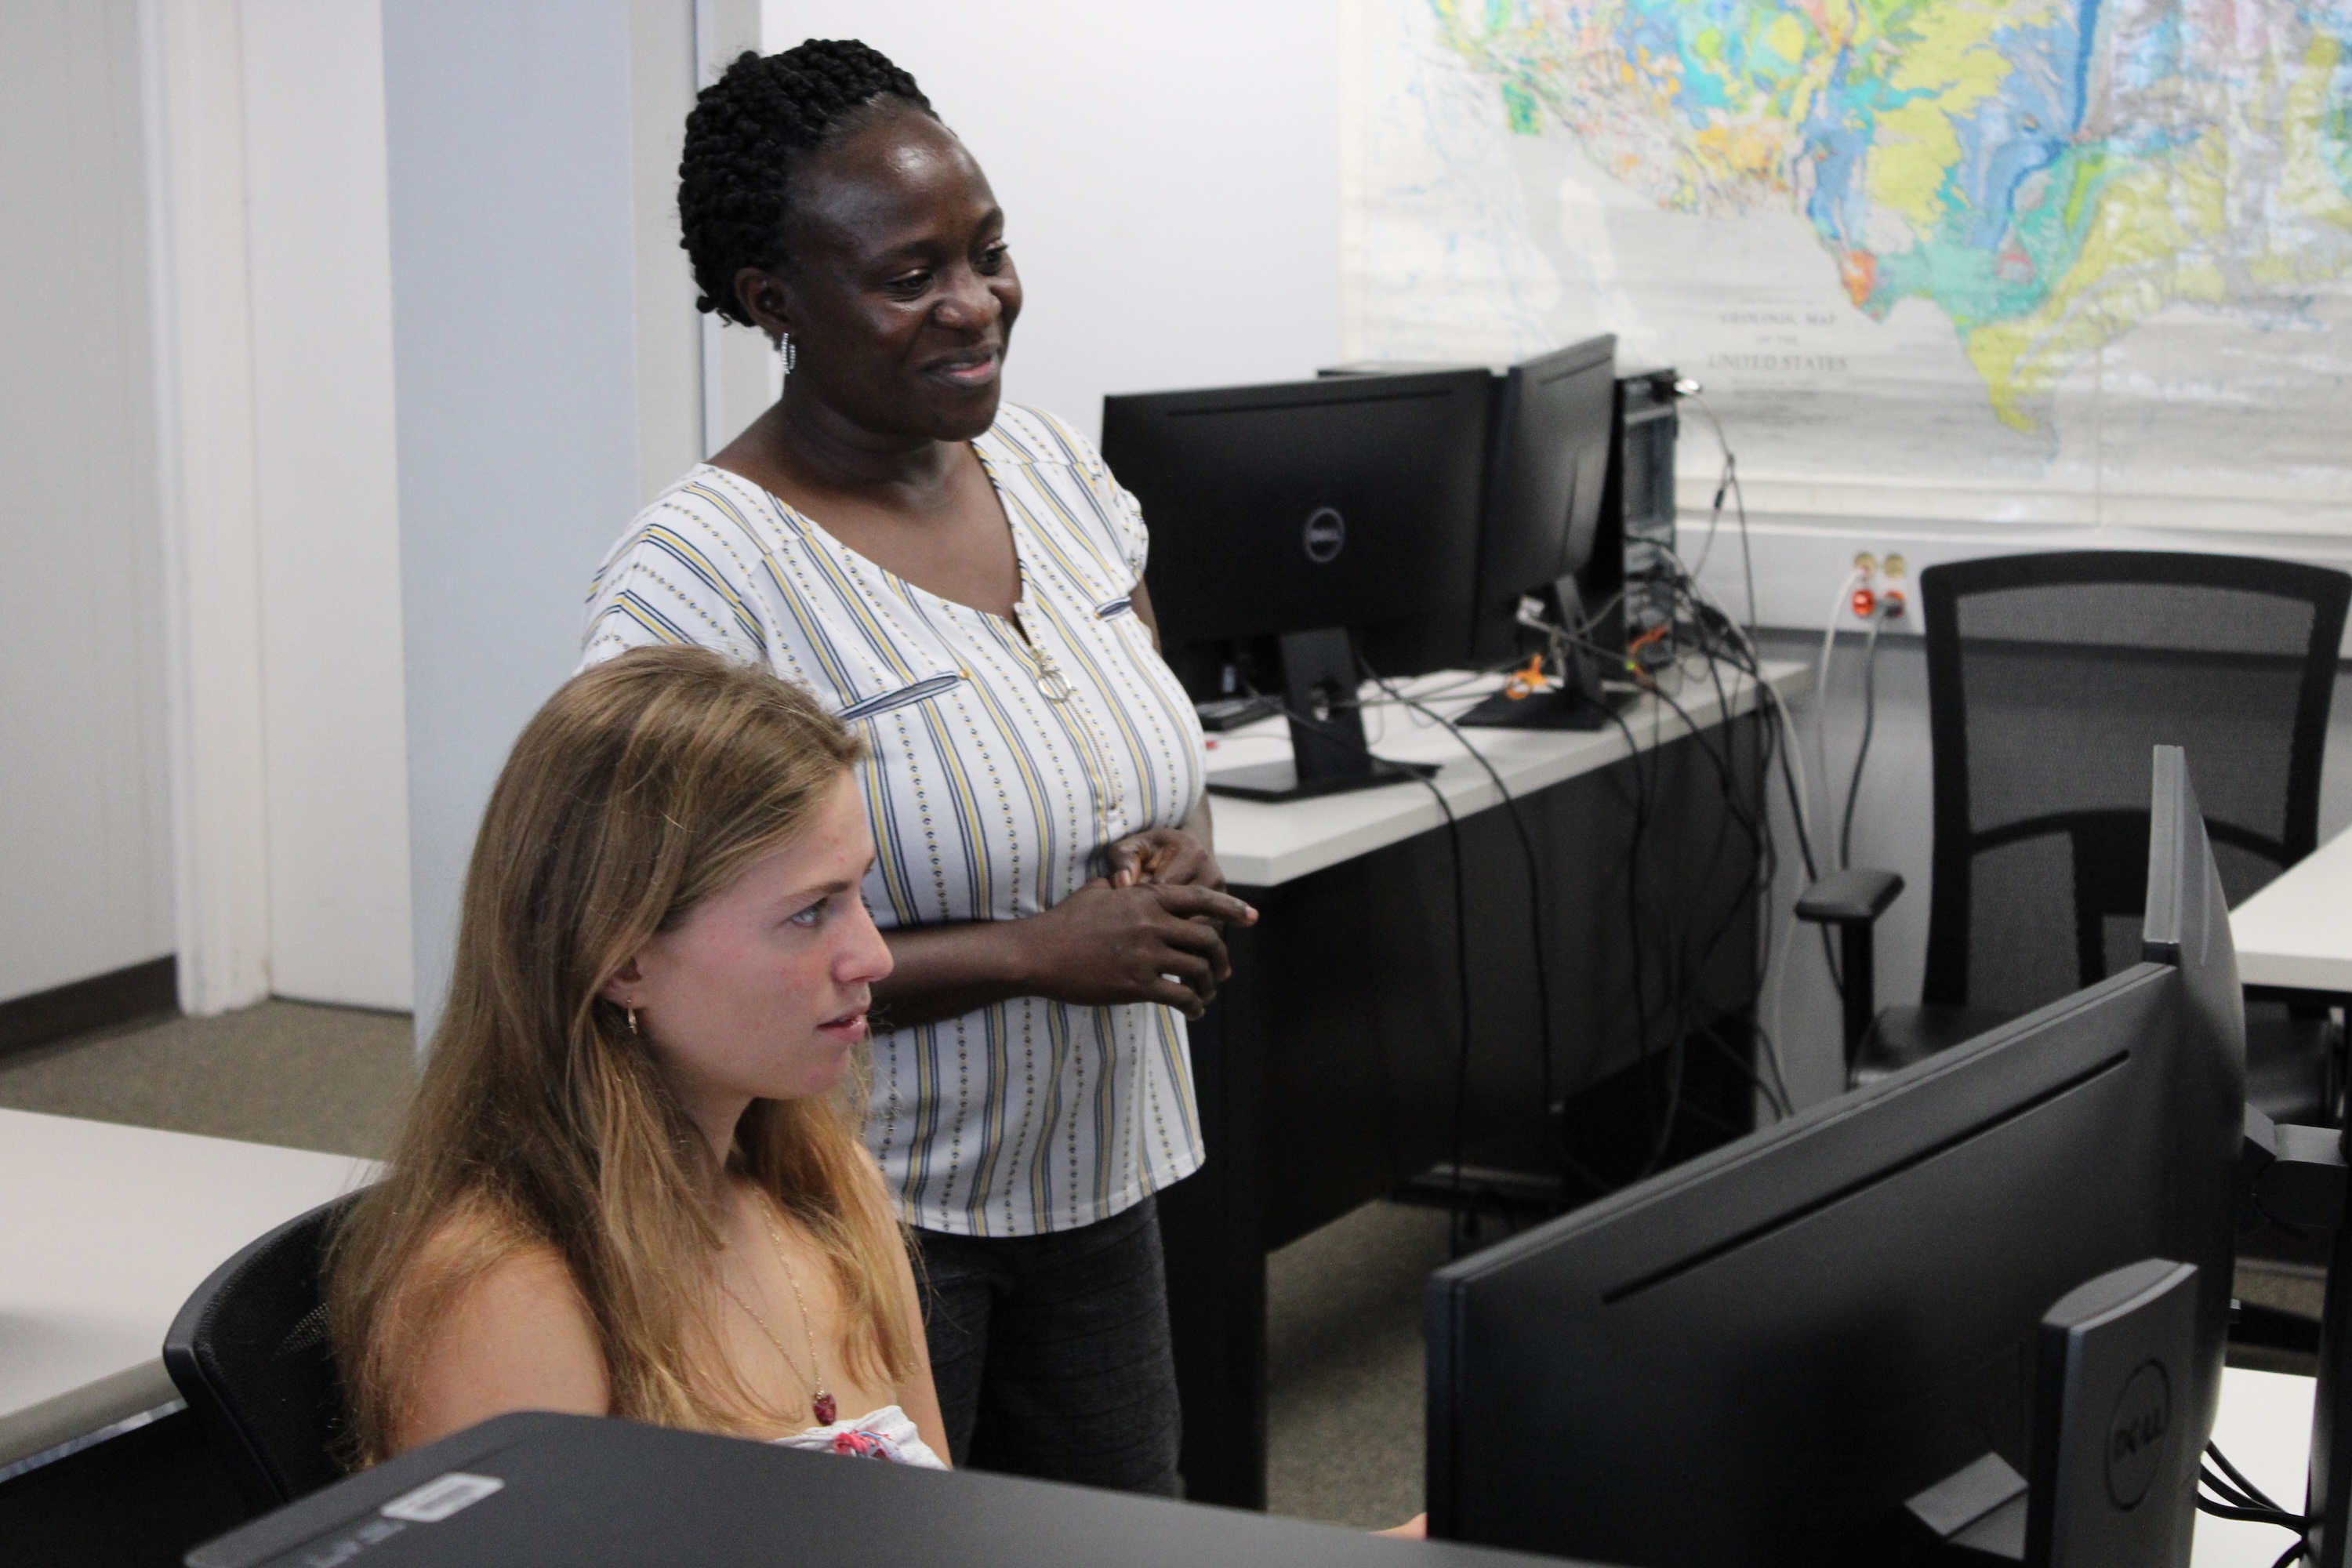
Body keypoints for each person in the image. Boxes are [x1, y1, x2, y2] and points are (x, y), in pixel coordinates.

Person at [577, 40, 1253, 1494]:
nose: (976, 304)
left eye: (989, 252)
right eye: (909, 278)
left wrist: (1172, 850)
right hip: (862, 1210)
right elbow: (648, 951)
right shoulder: (700, 578)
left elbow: (1144, 722)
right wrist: (1034, 951)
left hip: (1096, 1175)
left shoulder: (1057, 473)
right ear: (775, 305)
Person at [326, 648, 947, 1469]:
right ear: (623, 961)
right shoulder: (513, 1300)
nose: (872, 956)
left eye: (858, 893)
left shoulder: (831, 1187)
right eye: (809, 914)